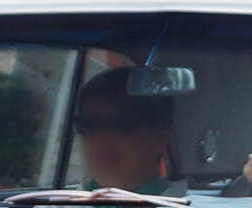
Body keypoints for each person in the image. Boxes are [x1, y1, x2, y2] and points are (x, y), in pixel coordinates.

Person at [73, 67, 183, 196]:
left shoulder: (190, 207)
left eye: (121, 125)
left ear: (161, 136)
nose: (102, 139)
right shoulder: (59, 205)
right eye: (88, 124)